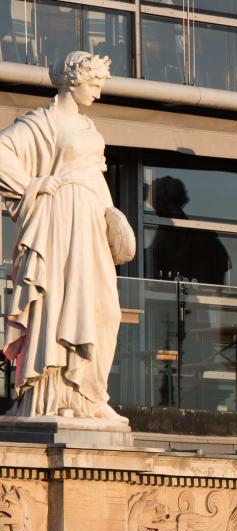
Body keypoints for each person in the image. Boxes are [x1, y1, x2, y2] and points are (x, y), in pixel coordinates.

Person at [1, 51, 131, 421]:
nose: (99, 93)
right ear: (73, 80)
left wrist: (112, 219)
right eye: (94, 84)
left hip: (90, 220)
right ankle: (51, 395)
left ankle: (88, 393)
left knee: (103, 308)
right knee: (56, 303)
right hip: (58, 221)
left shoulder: (90, 128)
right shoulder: (40, 123)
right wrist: (34, 186)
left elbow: (95, 177)